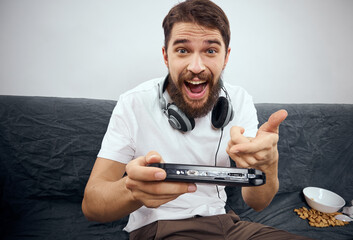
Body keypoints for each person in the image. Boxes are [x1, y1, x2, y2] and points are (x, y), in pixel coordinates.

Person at [82, 0, 311, 239]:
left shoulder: (240, 100)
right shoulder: (133, 103)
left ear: (225, 57)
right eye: (183, 50)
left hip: (228, 225)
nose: (196, 66)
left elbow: (258, 203)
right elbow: (91, 206)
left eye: (210, 51)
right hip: (161, 228)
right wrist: (132, 192)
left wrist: (267, 166)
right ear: (165, 56)